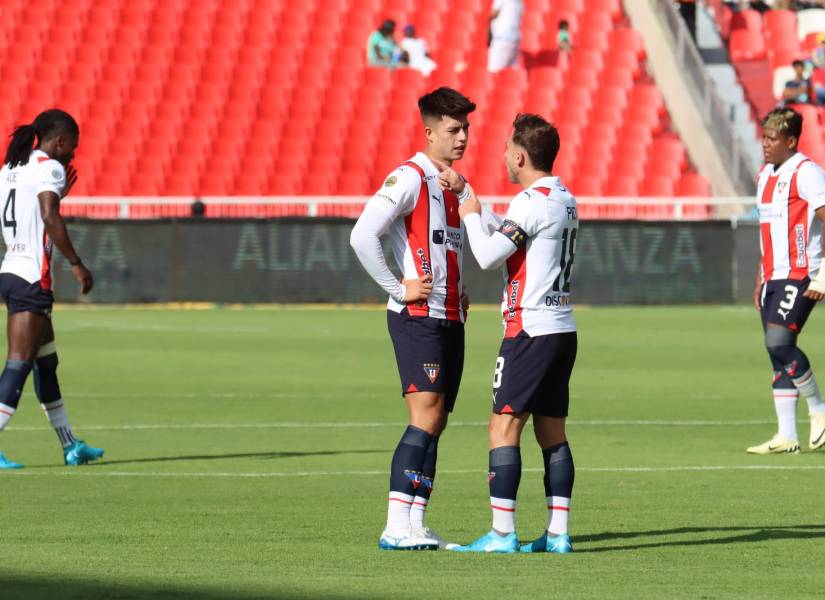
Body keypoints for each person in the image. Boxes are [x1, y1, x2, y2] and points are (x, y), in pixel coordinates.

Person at [350, 87, 498, 550]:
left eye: (466, 129)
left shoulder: (454, 184)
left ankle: (415, 523)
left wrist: (458, 289)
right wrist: (398, 287)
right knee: (425, 416)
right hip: (418, 318)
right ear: (429, 131)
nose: (462, 138)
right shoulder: (410, 176)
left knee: (437, 419)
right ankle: (396, 524)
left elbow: (460, 240)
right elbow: (362, 235)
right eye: (453, 130)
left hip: (450, 317)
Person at [449, 113, 579, 553]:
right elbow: (514, 234)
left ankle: (503, 534)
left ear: (520, 155)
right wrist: (473, 199)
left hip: (529, 330)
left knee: (502, 428)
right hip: (562, 328)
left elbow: (487, 256)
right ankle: (558, 534)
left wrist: (468, 217)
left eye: (507, 149)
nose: (504, 155)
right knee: (552, 433)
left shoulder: (529, 201)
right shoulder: (562, 197)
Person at [0, 108, 103, 469]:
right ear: (59, 141)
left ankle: (70, 445)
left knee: (47, 364)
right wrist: (77, 263)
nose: (73, 153)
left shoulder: (11, 168)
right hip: (32, 278)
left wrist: (59, 195)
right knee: (19, 363)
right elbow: (48, 216)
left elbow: (32, 210)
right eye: (71, 146)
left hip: (12, 269)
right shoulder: (50, 168)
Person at [747, 108, 825, 455]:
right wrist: (760, 275)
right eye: (764, 137)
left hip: (802, 272)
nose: (765, 144)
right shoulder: (765, 175)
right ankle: (787, 435)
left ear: (791, 141)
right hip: (773, 276)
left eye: (772, 139)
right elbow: (767, 230)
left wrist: (824, 274)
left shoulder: (807, 173)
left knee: (780, 343)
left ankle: (820, 410)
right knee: (776, 353)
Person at [488, 0, 524, 73]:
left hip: (502, 39)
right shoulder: (519, 2)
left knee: (493, 74)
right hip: (515, 39)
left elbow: (493, 13)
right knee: (511, 74)